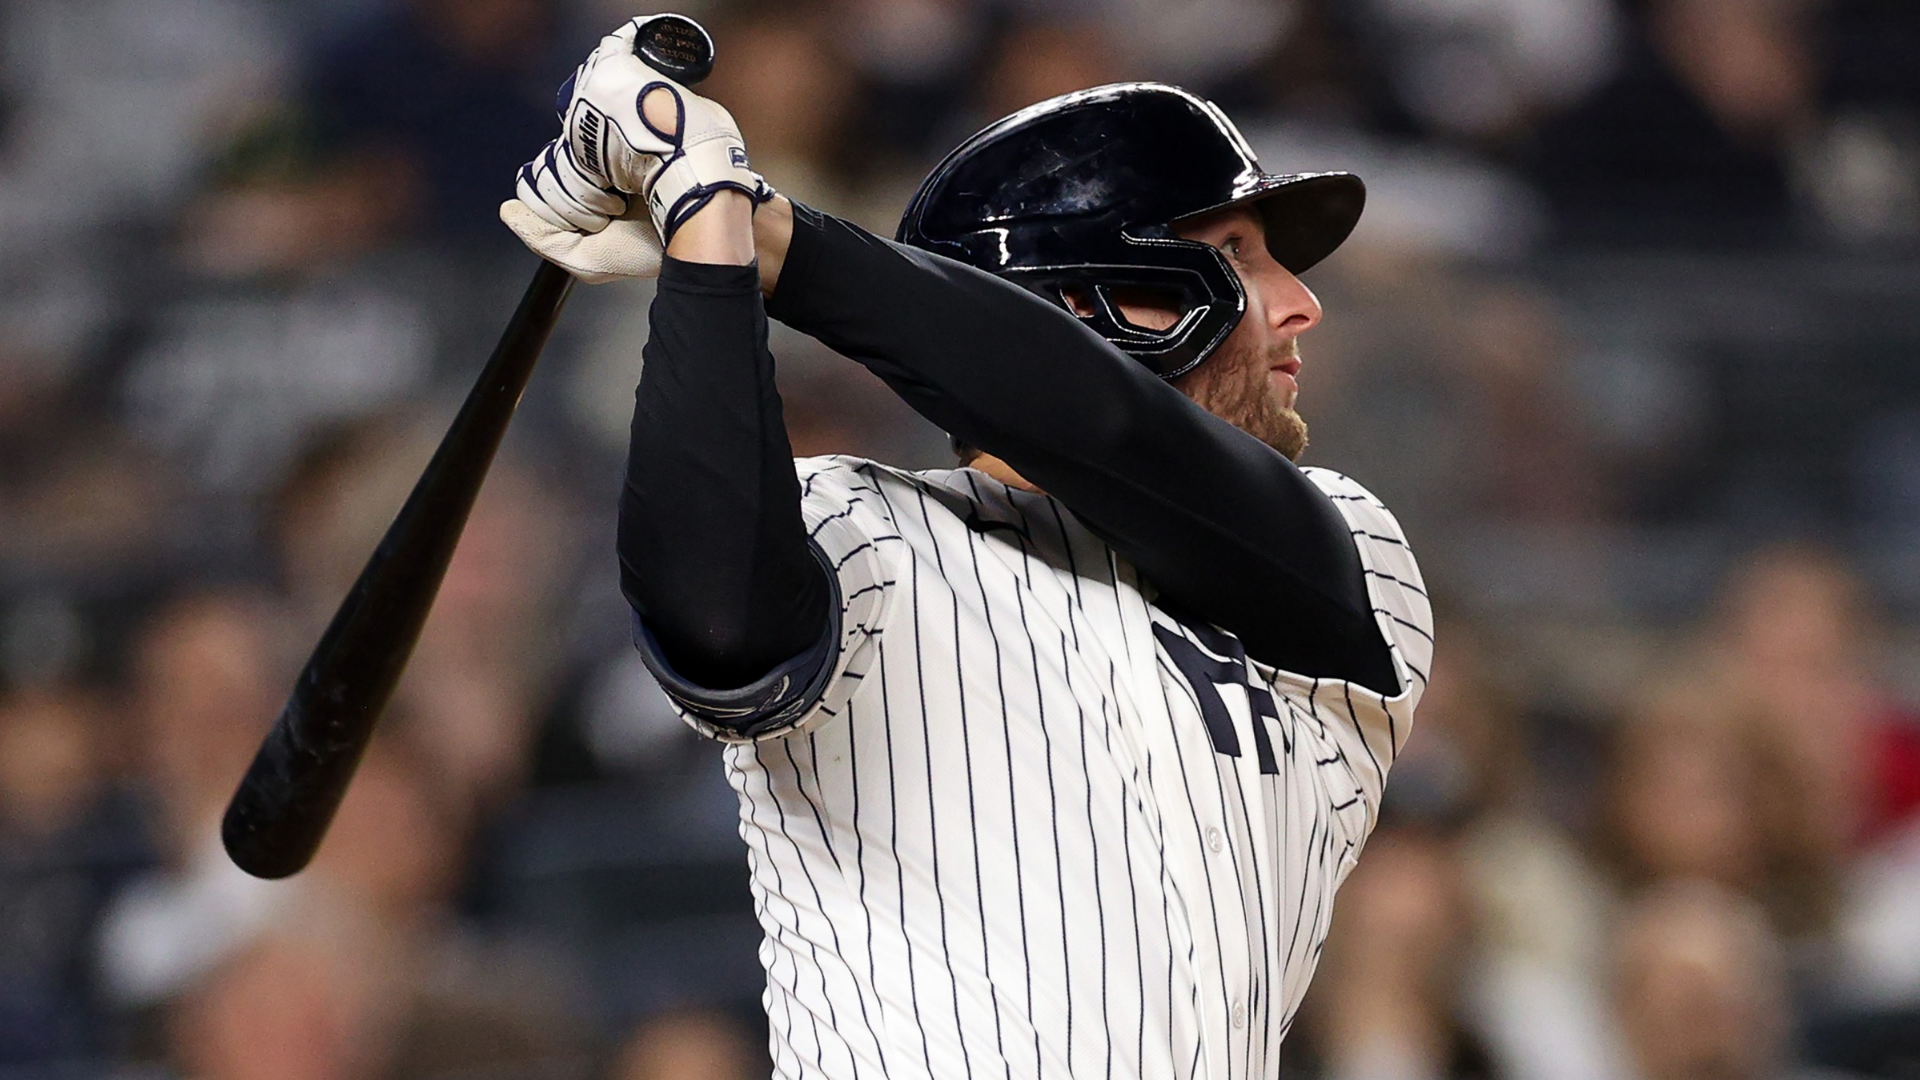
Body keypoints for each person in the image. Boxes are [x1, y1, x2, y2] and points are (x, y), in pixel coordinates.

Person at [502, 19, 1433, 1079]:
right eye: (1233, 257)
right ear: (1091, 298)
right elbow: (714, 617)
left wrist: (765, 228)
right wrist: (705, 241)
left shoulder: (1356, 551)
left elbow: (1107, 427)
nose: (1302, 304)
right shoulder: (859, 528)